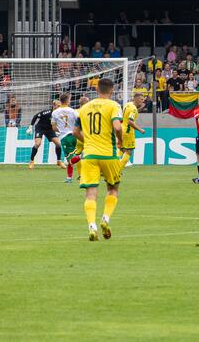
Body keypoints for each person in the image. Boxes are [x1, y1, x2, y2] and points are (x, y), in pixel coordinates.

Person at [74, 78, 124, 241]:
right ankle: (105, 219)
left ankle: (92, 226)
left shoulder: (84, 107)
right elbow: (117, 126)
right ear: (112, 90)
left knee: (90, 194)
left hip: (89, 156)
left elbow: (75, 131)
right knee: (113, 189)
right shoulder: (114, 106)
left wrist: (87, 141)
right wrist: (120, 141)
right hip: (109, 154)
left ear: (96, 90)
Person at [27, 100, 64, 169]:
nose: (59, 107)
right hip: (40, 128)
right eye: (58, 106)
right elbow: (36, 116)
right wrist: (30, 126)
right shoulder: (47, 112)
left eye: (60, 106)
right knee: (38, 144)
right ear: (54, 106)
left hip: (50, 129)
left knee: (58, 143)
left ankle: (59, 161)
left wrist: (58, 130)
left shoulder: (59, 114)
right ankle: (31, 161)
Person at [52, 93, 79, 183]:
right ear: (68, 100)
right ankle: (69, 178)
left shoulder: (55, 112)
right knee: (68, 158)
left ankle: (84, 156)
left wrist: (60, 131)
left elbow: (53, 127)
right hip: (74, 135)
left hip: (65, 137)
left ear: (60, 101)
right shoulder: (73, 111)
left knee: (69, 160)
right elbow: (79, 122)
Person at [120, 93, 146, 168]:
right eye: (141, 99)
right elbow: (130, 121)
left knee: (122, 148)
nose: (143, 101)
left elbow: (131, 113)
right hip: (128, 132)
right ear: (136, 98)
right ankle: (118, 169)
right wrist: (140, 130)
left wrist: (140, 108)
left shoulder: (128, 104)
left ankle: (117, 164)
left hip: (122, 128)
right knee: (129, 151)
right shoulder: (133, 109)